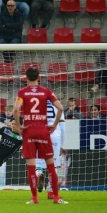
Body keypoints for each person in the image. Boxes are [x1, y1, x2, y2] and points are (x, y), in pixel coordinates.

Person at [13, 67, 67, 204]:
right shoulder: (46, 91)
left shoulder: (22, 92)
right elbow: (60, 108)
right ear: (39, 77)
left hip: (29, 130)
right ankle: (56, 197)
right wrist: (54, 124)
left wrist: (19, 127)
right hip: (43, 130)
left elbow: (15, 109)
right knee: (51, 165)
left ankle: (34, 198)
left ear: (26, 77)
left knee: (31, 166)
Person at [35, 100, 66, 199]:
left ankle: (38, 175)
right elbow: (63, 128)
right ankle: (51, 192)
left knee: (39, 164)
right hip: (54, 135)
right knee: (53, 166)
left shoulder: (36, 107)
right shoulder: (57, 107)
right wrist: (61, 144)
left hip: (39, 135)